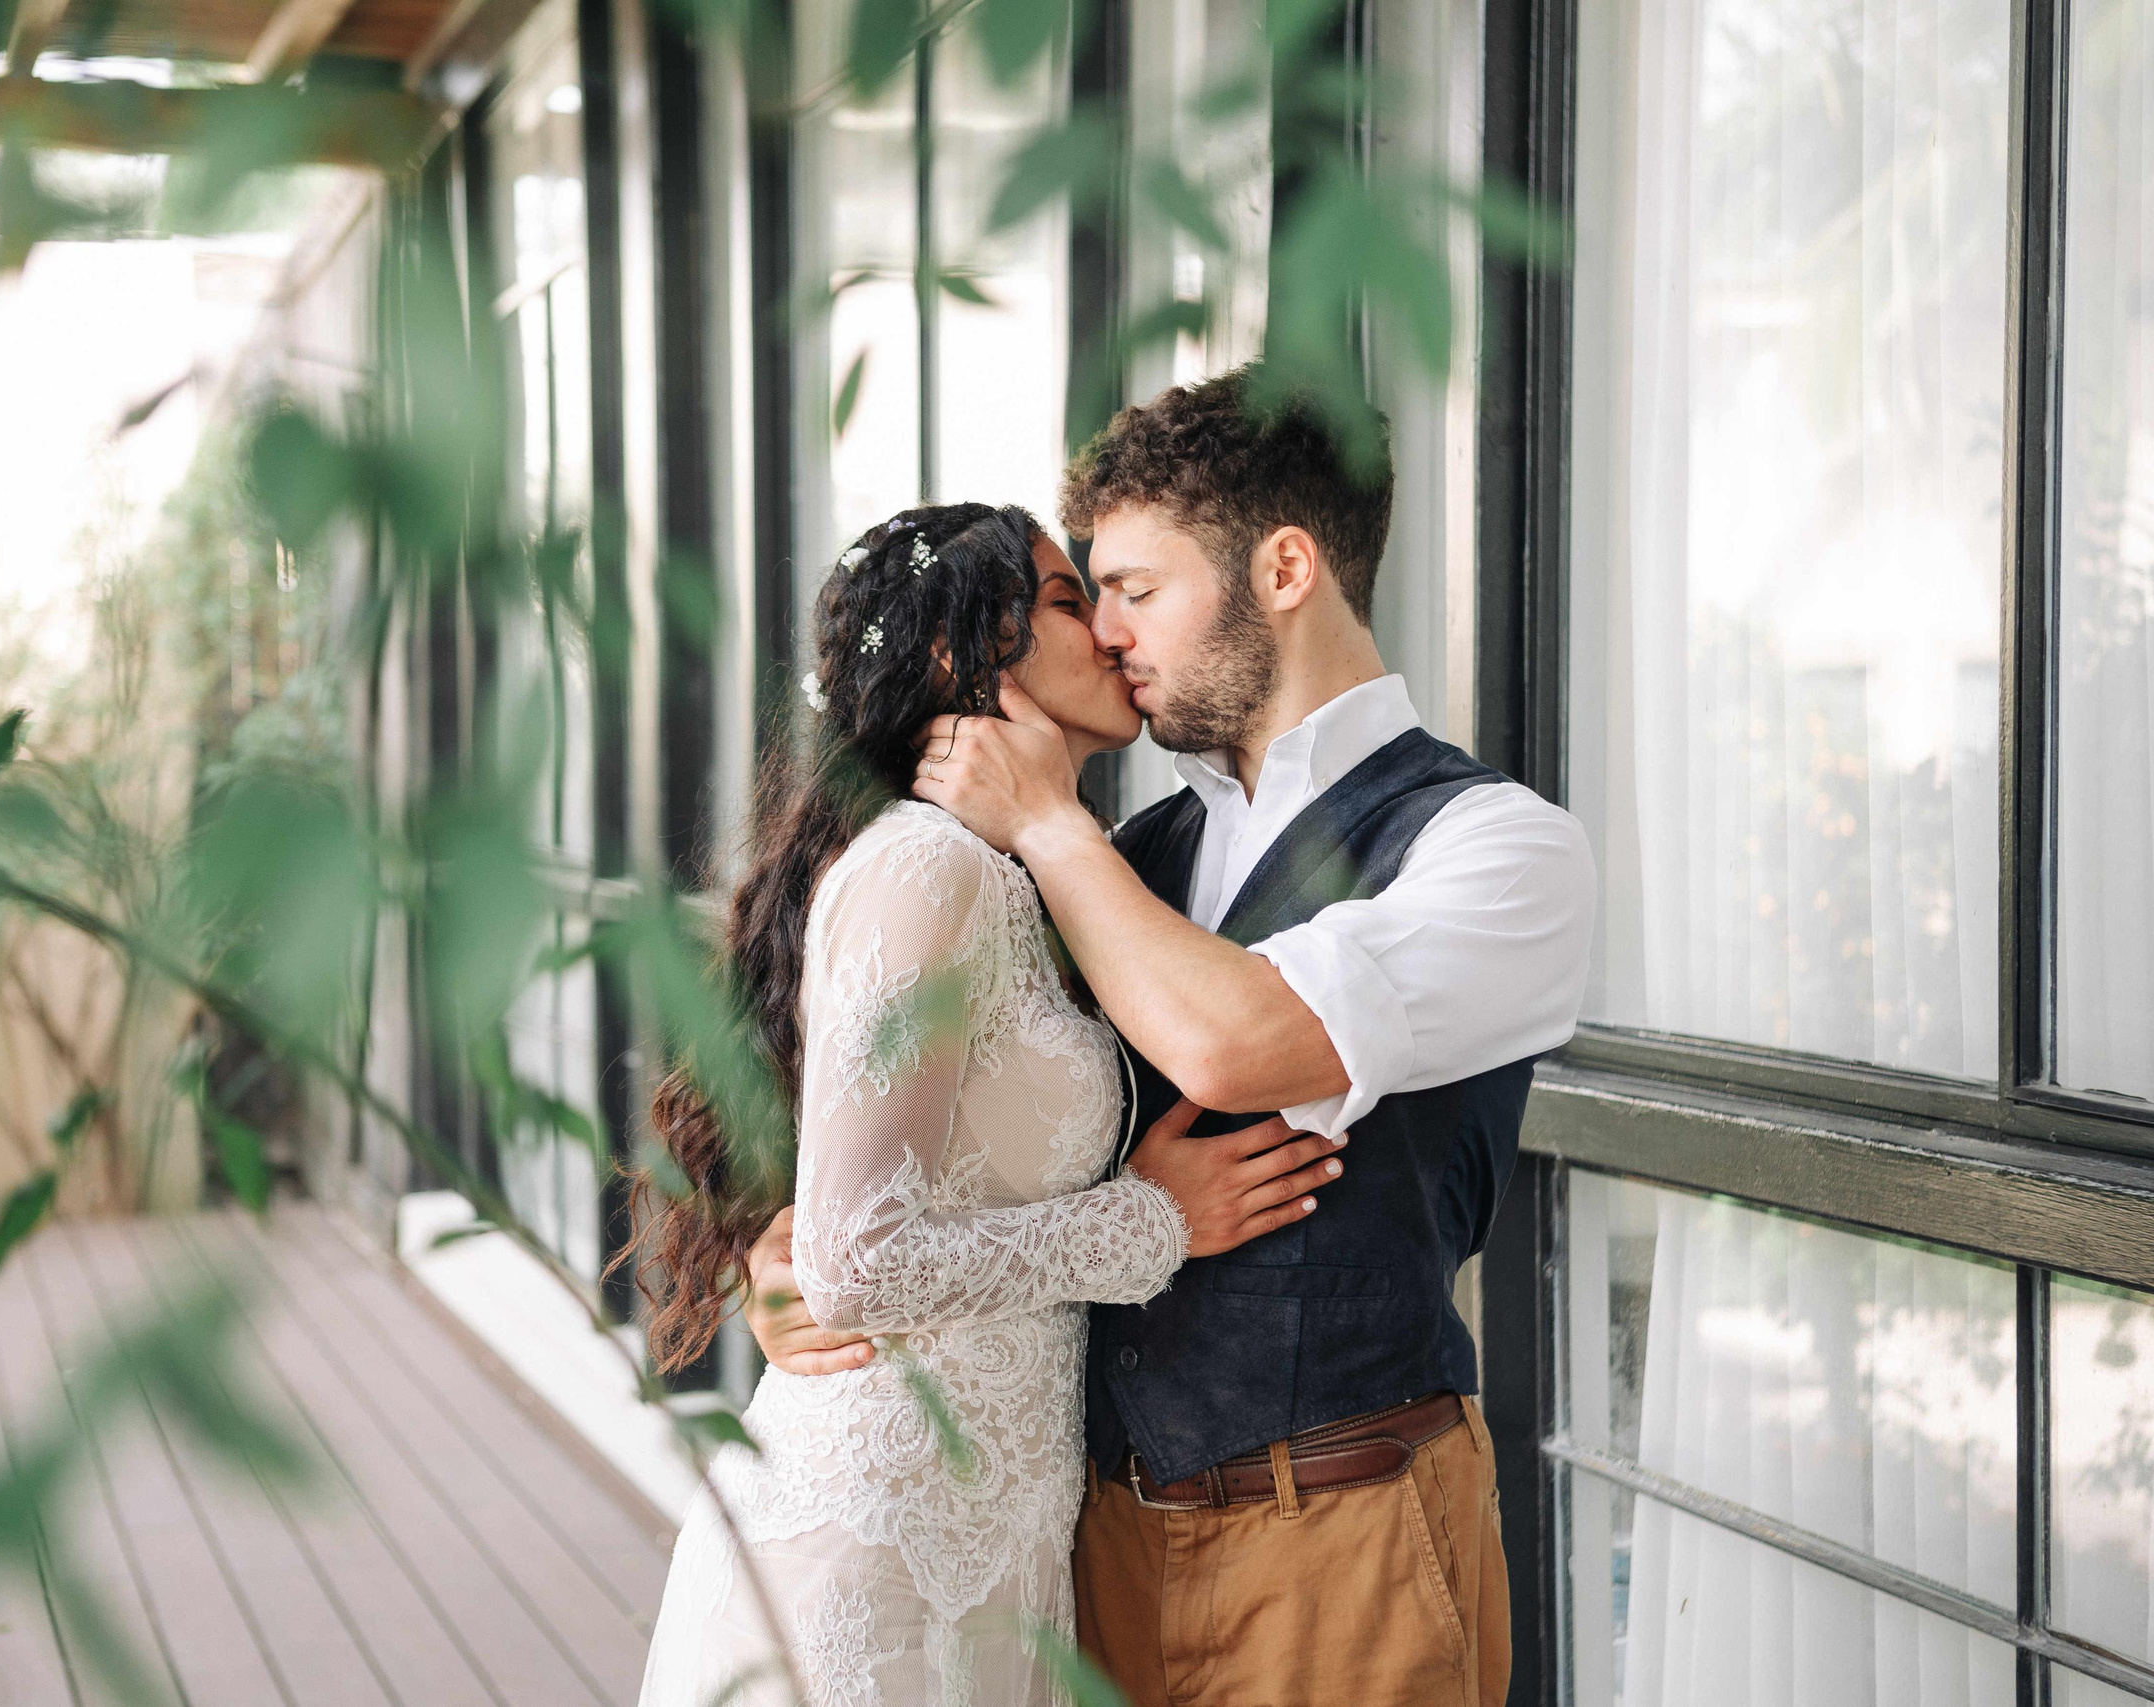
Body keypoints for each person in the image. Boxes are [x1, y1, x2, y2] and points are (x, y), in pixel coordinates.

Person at [748, 369, 1596, 1706]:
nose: (1114, 631)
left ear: (1284, 566)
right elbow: (961, 1141)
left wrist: (1048, 824)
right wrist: (797, 1257)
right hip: (1087, 1542)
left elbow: (1239, 1042)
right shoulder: (1129, 859)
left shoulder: (1496, 847)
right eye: (1086, 595)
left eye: (1135, 589)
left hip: (1343, 1534)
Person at [630, 501, 1345, 1707]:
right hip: (882, 1539)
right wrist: (1150, 1220)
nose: (1112, 632)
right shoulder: (924, 867)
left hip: (998, 1537)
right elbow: (854, 1261)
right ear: (968, 655)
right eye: (1072, 602)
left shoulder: (1029, 869)